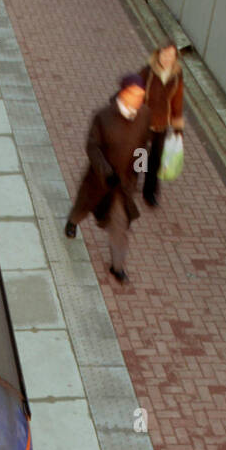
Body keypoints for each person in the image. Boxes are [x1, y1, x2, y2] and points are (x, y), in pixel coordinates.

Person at [64, 75, 151, 285]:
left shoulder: (145, 115)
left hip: (123, 186)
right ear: (123, 93)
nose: (138, 100)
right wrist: (105, 171)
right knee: (83, 206)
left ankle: (117, 266)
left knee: (119, 225)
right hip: (99, 180)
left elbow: (143, 147)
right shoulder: (103, 117)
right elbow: (92, 146)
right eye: (134, 95)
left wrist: (137, 176)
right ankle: (73, 221)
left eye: (141, 95)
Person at [138, 40, 184, 206]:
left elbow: (177, 102)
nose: (167, 58)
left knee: (155, 158)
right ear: (158, 54)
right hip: (143, 123)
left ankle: (148, 192)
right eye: (164, 54)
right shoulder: (148, 72)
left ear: (175, 57)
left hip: (162, 124)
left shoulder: (177, 76)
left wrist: (178, 128)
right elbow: (136, 93)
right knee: (140, 154)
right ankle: (134, 180)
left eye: (171, 55)